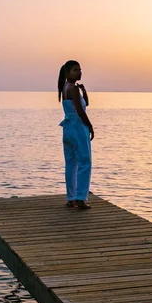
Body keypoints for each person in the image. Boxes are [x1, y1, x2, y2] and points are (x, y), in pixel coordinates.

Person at [58, 60, 94, 209]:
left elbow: (85, 103)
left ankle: (71, 197)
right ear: (67, 73)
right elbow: (80, 111)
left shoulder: (65, 88)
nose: (79, 72)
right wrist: (90, 126)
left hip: (68, 128)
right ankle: (80, 197)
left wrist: (84, 91)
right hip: (78, 127)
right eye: (75, 70)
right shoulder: (72, 88)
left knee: (71, 163)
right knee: (85, 162)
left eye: (80, 70)